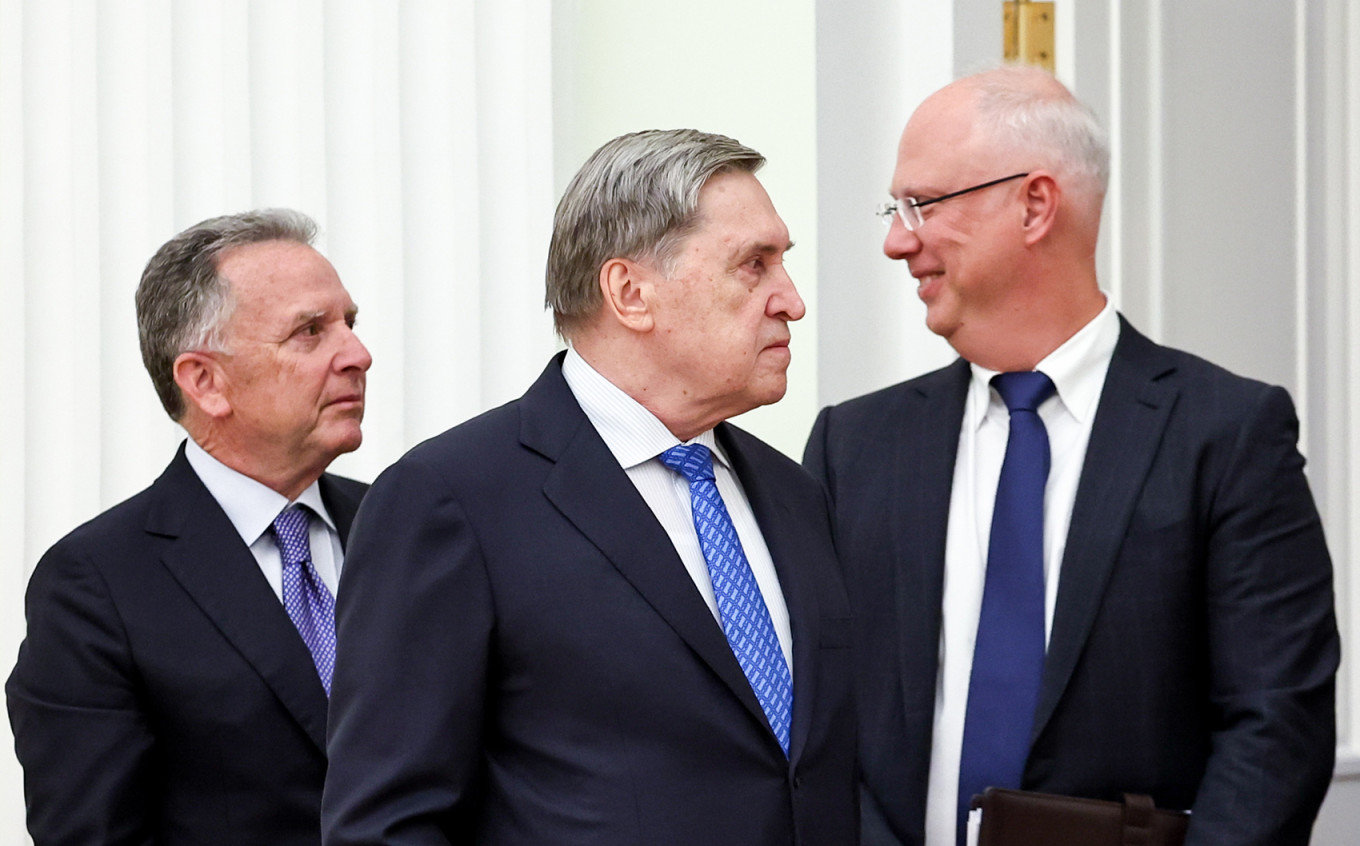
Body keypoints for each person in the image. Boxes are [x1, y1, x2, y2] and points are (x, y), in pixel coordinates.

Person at [804, 67, 1340, 846]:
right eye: (895, 209)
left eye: (922, 204)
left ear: (1034, 204)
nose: (897, 240)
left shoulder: (1225, 433)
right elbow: (819, 716)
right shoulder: (855, 447)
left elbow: (1277, 725)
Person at [322, 129, 856, 845]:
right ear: (630, 293)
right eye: (753, 266)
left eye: (782, 264)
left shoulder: (793, 493)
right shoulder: (451, 501)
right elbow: (387, 823)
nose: (789, 300)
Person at [7, 209, 373, 845]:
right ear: (205, 382)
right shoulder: (96, 586)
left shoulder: (408, 527)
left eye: (350, 323)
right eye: (310, 332)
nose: (358, 355)